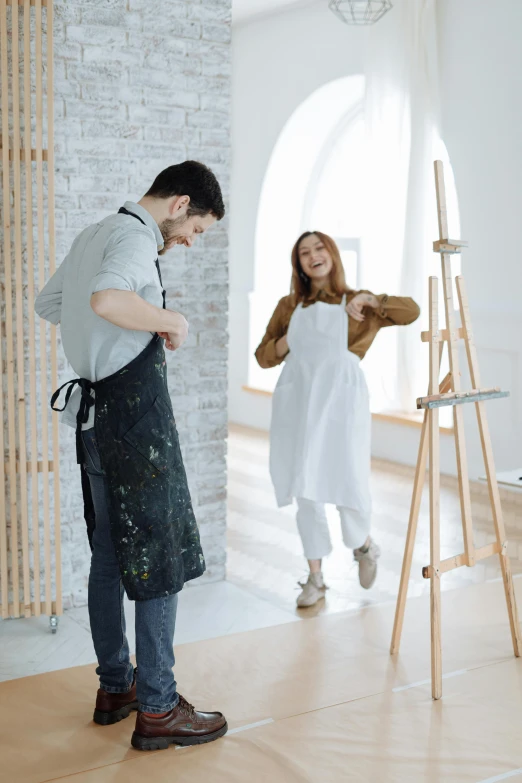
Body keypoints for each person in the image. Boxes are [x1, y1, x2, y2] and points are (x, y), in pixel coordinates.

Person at [35, 161, 228, 751]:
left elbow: (51, 304)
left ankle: (115, 686)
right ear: (180, 204)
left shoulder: (94, 232)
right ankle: (160, 707)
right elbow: (106, 299)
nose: (191, 242)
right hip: (132, 421)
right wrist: (171, 320)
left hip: (95, 420)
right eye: (196, 228)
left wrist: (101, 337)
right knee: (158, 559)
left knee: (112, 557)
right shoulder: (133, 237)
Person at [255, 231, 420, 609]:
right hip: (298, 398)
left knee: (346, 477)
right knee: (305, 486)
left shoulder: (356, 303)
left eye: (319, 248)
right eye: (303, 252)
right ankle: (315, 578)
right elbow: (264, 356)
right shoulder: (289, 305)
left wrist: (372, 300)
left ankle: (363, 546)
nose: (313, 256)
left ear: (332, 254)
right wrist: (287, 342)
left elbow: (411, 312)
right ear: (298, 263)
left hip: (342, 400)